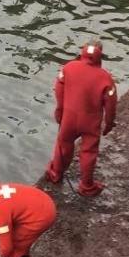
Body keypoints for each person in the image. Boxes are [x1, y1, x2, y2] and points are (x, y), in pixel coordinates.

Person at [45, 41, 117, 196]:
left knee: (63, 144)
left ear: (82, 53)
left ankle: (56, 173)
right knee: (89, 152)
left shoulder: (68, 67)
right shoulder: (105, 77)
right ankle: (86, 186)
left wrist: (59, 110)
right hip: (91, 122)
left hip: (69, 118)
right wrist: (109, 123)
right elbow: (111, 104)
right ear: (100, 56)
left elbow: (59, 89)